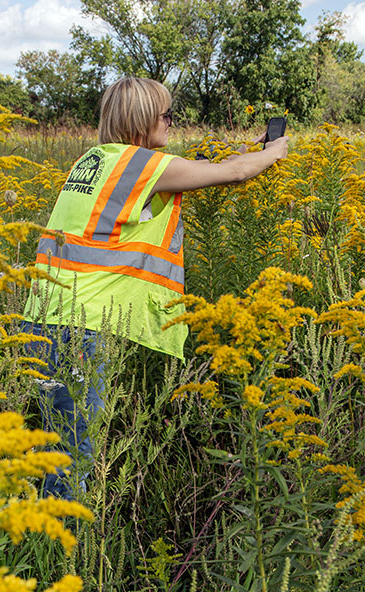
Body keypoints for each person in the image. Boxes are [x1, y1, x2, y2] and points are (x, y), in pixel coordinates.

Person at [21, 76, 289, 499]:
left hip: (44, 323)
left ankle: (45, 541)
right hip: (80, 330)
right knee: (75, 455)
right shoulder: (142, 166)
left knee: (57, 446)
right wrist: (276, 151)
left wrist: (245, 152)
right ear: (142, 118)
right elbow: (234, 174)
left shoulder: (96, 161)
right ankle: (60, 552)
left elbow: (203, 169)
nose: (171, 122)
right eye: (167, 114)